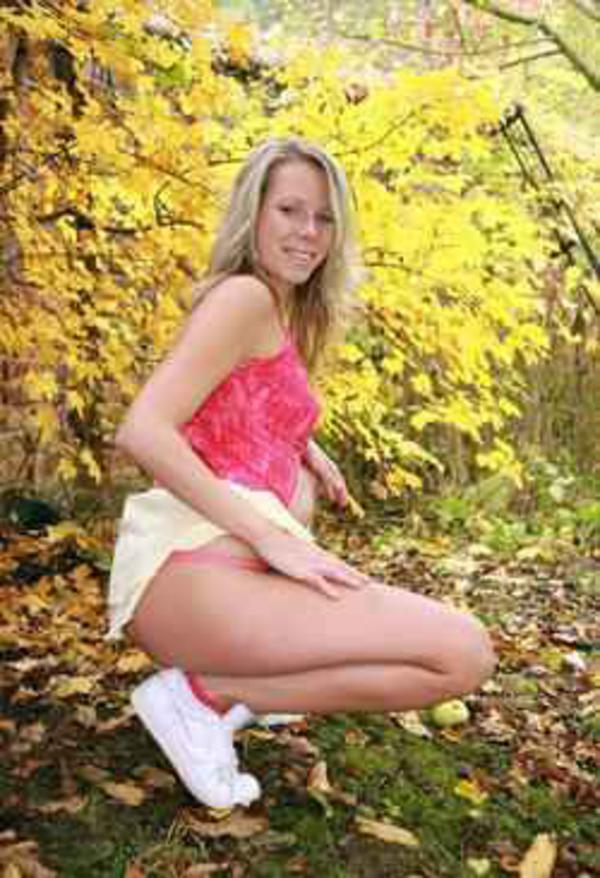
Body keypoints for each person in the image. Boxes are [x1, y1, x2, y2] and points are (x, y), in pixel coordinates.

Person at [107, 136, 496, 810]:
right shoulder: (244, 298)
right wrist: (272, 538)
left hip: (221, 582)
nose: (308, 232)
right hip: (197, 577)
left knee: (452, 653)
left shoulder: (279, 308)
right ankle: (207, 695)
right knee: (463, 653)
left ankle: (226, 692)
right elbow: (144, 429)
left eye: (324, 218)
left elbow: (231, 402)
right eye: (290, 210)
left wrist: (302, 445)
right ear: (253, 212)